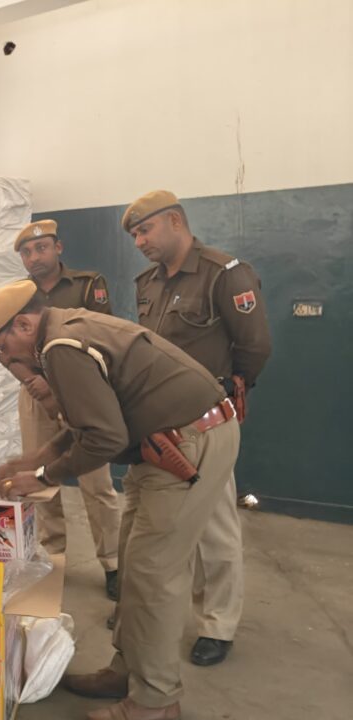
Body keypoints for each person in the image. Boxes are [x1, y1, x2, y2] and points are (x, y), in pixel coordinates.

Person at [0, 279, 239, 720]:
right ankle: (128, 670)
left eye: (4, 348)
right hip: (167, 444)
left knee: (154, 574)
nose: (6, 359)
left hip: (186, 444)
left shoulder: (60, 347)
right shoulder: (65, 329)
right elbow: (93, 415)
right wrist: (39, 456)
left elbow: (104, 438)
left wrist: (44, 476)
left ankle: (156, 699)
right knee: (135, 564)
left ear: (24, 325)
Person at [123, 190, 271, 667]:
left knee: (215, 527)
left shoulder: (223, 274)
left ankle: (217, 624)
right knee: (155, 519)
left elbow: (254, 346)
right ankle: (148, 610)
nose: (140, 242)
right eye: (134, 235)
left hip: (205, 422)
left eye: (145, 230)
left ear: (175, 221)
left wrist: (229, 391)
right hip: (157, 421)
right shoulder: (147, 283)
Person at [3, 219, 121, 599]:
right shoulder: (16, 296)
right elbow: (6, 351)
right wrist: (35, 383)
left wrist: (61, 385)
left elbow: (104, 335)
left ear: (58, 248)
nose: (34, 257)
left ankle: (113, 564)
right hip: (35, 395)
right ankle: (52, 560)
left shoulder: (87, 286)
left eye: (41, 248)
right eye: (26, 252)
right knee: (41, 480)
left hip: (83, 393)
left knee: (97, 484)